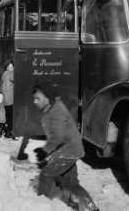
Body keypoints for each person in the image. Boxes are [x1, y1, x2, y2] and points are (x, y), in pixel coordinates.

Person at [32, 81, 99, 211]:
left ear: (48, 97)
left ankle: (39, 206)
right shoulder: (49, 109)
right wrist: (46, 152)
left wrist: (44, 150)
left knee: (46, 175)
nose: (35, 102)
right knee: (71, 184)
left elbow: (58, 136)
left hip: (68, 151)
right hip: (69, 151)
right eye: (34, 98)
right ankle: (93, 209)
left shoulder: (57, 110)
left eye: (38, 98)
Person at [1, 59, 16, 140]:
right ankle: (9, 132)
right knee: (11, 118)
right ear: (7, 67)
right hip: (10, 99)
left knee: (8, 116)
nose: (13, 67)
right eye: (11, 65)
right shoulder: (11, 74)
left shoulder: (4, 74)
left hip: (6, 99)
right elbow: (17, 78)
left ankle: (7, 131)